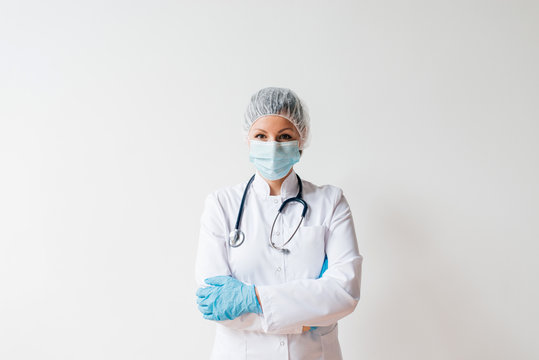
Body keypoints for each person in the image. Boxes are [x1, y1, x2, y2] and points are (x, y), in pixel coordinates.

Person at [195, 87, 363, 360]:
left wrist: (253, 299)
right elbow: (215, 304)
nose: (272, 146)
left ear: (301, 140)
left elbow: (344, 293)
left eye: (284, 136)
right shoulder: (221, 205)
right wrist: (307, 317)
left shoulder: (331, 203)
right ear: (248, 139)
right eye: (261, 136)